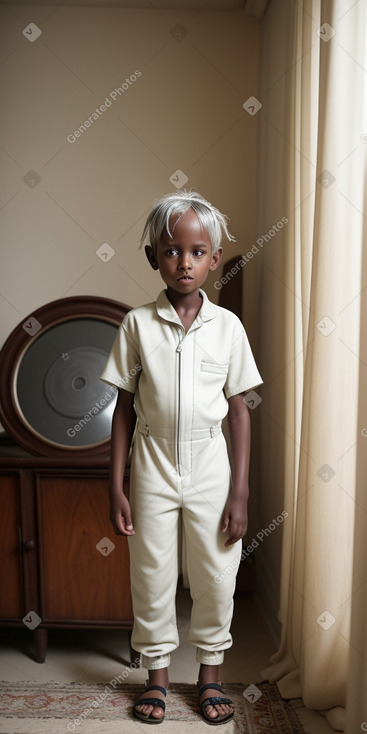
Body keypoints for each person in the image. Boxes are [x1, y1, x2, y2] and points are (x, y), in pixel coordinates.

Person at [100, 189, 262, 725]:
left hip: (211, 462)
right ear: (153, 257)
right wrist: (117, 483)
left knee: (217, 572)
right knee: (151, 572)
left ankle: (209, 677)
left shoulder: (229, 328)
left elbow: (239, 412)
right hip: (151, 461)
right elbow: (122, 409)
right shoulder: (136, 325)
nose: (184, 262)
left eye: (197, 252)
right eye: (171, 251)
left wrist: (240, 489)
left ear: (214, 258)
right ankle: (157, 678)